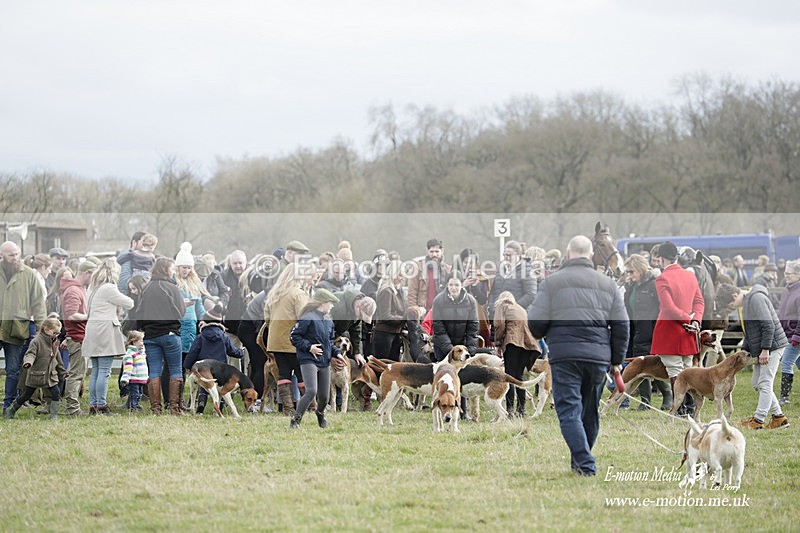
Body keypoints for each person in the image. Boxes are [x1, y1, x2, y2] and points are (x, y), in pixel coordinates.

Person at [528, 235, 629, 476]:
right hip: (598, 357)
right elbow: (622, 325)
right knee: (589, 411)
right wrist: (616, 360)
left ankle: (585, 463)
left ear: (567, 252)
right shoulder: (608, 284)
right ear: (592, 255)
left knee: (569, 411)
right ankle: (580, 463)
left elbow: (536, 323)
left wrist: (545, 331)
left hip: (565, 356)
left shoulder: (552, 283)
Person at [716, 283, 790, 430]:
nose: (732, 307)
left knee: (765, 383)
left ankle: (758, 420)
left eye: (731, 304)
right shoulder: (745, 303)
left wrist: (765, 349)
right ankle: (779, 418)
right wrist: (744, 351)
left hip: (773, 346)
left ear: (734, 295)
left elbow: (768, 325)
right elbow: (749, 332)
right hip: (762, 347)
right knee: (757, 383)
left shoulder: (756, 299)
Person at [649, 241, 704, 415]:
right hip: (688, 330)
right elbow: (699, 302)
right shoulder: (690, 275)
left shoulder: (662, 278)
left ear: (662, 258)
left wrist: (688, 319)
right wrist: (695, 320)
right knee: (688, 368)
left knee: (675, 370)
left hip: (670, 330)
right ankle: (690, 407)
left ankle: (682, 408)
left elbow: (668, 308)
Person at [81, 259, 134, 415]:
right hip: (104, 331)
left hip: (93, 329)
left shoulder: (93, 287)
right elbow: (129, 303)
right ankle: (101, 406)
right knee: (104, 370)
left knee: (96, 370)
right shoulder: (109, 288)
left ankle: (94, 405)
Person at [1, 241, 47, 413]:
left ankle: (9, 405)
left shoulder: (28, 274)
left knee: (13, 370)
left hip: (16, 330)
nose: (15, 258)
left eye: (17, 254)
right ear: (2, 255)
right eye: (11, 254)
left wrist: (42, 330)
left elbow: (38, 304)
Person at [622, 254, 672, 410]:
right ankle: (645, 401)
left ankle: (667, 395)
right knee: (640, 366)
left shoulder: (654, 284)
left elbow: (662, 307)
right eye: (628, 272)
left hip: (652, 330)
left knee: (654, 366)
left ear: (639, 268)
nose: (629, 275)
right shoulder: (631, 287)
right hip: (636, 329)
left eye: (631, 271)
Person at [138, 257, 187, 415]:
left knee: (154, 371)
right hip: (170, 334)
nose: (174, 272)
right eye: (172, 269)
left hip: (150, 336)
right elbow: (180, 312)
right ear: (166, 269)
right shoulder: (171, 287)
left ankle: (156, 409)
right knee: (175, 370)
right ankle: (175, 408)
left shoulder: (146, 288)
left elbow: (138, 313)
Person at [289, 288, 342, 429]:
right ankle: (296, 419)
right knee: (311, 390)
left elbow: (329, 342)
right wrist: (309, 347)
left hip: (324, 361)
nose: (332, 306)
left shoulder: (329, 320)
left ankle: (320, 413)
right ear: (323, 303)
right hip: (308, 359)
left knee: (324, 396)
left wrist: (337, 353)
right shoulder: (307, 317)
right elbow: (294, 336)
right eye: (331, 303)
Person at [264, 264, 311, 417]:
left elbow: (266, 318)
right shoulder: (298, 294)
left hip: (275, 341)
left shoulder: (274, 293)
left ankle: (288, 409)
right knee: (301, 373)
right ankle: (310, 406)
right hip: (292, 341)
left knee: (283, 374)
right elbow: (303, 317)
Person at [183, 308, 244, 413]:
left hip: (204, 368)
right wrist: (241, 352)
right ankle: (219, 407)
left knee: (204, 386)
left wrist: (187, 365)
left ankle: (201, 405)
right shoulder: (223, 336)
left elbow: (193, 353)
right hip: (220, 370)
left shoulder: (200, 337)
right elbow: (232, 351)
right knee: (219, 388)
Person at [4, 317, 66, 420]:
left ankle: (53, 416)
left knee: (56, 393)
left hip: (50, 376)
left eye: (58, 333)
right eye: (54, 332)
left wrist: (62, 371)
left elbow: (57, 359)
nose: (56, 335)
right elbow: (30, 354)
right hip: (36, 375)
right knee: (25, 396)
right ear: (46, 329)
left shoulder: (54, 342)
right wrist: (28, 362)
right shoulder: (36, 341)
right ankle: (10, 410)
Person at [493, 291, 540, 417]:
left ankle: (510, 409)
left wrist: (497, 343)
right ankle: (522, 409)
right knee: (519, 377)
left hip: (512, 343)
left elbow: (499, 324)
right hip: (526, 345)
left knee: (509, 377)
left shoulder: (501, 305)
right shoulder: (520, 308)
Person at [59, 260, 96, 415]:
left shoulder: (78, 288)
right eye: (92, 275)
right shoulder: (74, 290)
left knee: (78, 373)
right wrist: (89, 316)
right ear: (86, 273)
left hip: (78, 336)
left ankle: (72, 406)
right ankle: (72, 408)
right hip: (77, 337)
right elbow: (71, 314)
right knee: (76, 374)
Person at [432, 277, 479, 360]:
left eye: (457, 285)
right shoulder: (438, 300)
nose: (453, 288)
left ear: (461, 285)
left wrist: (471, 349)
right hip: (442, 345)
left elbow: (473, 327)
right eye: (451, 285)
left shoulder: (471, 301)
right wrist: (450, 351)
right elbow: (439, 328)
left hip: (462, 346)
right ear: (447, 285)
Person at [488, 240, 537, 316]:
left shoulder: (527, 270)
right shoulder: (501, 268)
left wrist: (513, 308)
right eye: (504, 255)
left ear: (518, 255)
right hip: (498, 315)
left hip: (517, 316)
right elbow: (494, 291)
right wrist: (491, 306)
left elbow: (531, 294)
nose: (506, 257)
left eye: (509, 255)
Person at [373, 261, 406, 362]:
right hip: (384, 335)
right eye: (399, 275)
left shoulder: (397, 290)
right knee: (381, 366)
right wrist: (404, 319)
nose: (402, 278)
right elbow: (385, 316)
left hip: (394, 334)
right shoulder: (386, 291)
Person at [778, 260, 800, 405]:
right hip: (787, 332)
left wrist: (797, 335)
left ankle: (784, 398)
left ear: (798, 274)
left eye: (788, 273)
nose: (785, 275)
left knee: (786, 362)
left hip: (795, 335)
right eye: (785, 272)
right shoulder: (787, 289)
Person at [120, 330, 148, 412]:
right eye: (140, 341)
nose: (142, 343)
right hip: (134, 378)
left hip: (140, 378)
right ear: (134, 342)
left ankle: (136, 404)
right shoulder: (130, 354)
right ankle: (133, 407)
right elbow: (128, 367)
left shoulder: (140, 353)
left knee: (139, 393)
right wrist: (125, 378)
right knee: (134, 393)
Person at [117, 231, 146, 295]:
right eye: (143, 244)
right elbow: (123, 283)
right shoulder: (127, 258)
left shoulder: (144, 258)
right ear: (134, 243)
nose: (146, 247)